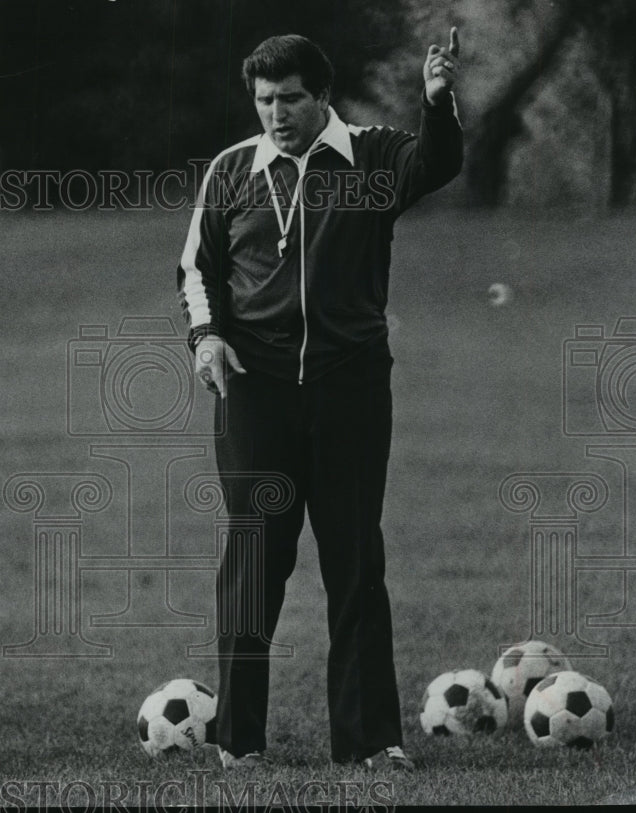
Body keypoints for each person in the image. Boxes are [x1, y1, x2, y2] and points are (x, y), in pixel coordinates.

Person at [177, 30, 462, 770]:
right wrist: (206, 338)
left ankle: (371, 740)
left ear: (321, 95)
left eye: (291, 98)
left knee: (355, 560)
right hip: (255, 392)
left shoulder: (373, 156)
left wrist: (437, 103)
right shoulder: (233, 171)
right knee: (252, 565)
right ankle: (238, 741)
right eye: (265, 99)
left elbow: (439, 163)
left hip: (351, 390)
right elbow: (195, 268)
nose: (276, 112)